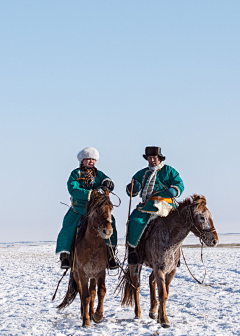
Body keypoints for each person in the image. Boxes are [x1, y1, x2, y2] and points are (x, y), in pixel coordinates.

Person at [56, 147, 118, 269]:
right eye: (88, 159)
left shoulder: (99, 174)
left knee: (111, 222)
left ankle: (111, 254)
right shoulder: (75, 173)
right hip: (79, 207)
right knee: (68, 223)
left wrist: (108, 183)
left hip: (95, 209)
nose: (91, 161)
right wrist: (90, 193)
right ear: (82, 160)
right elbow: (72, 188)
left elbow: (107, 182)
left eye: (93, 159)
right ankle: (65, 255)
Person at [126, 146, 184, 264]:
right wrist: (132, 188)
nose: (152, 160)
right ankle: (133, 251)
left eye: (154, 157)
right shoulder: (142, 173)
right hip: (148, 204)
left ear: (160, 158)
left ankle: (176, 253)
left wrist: (174, 190)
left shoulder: (169, 171)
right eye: (149, 158)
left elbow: (179, 184)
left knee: (177, 223)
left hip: (166, 203)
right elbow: (130, 190)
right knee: (135, 220)